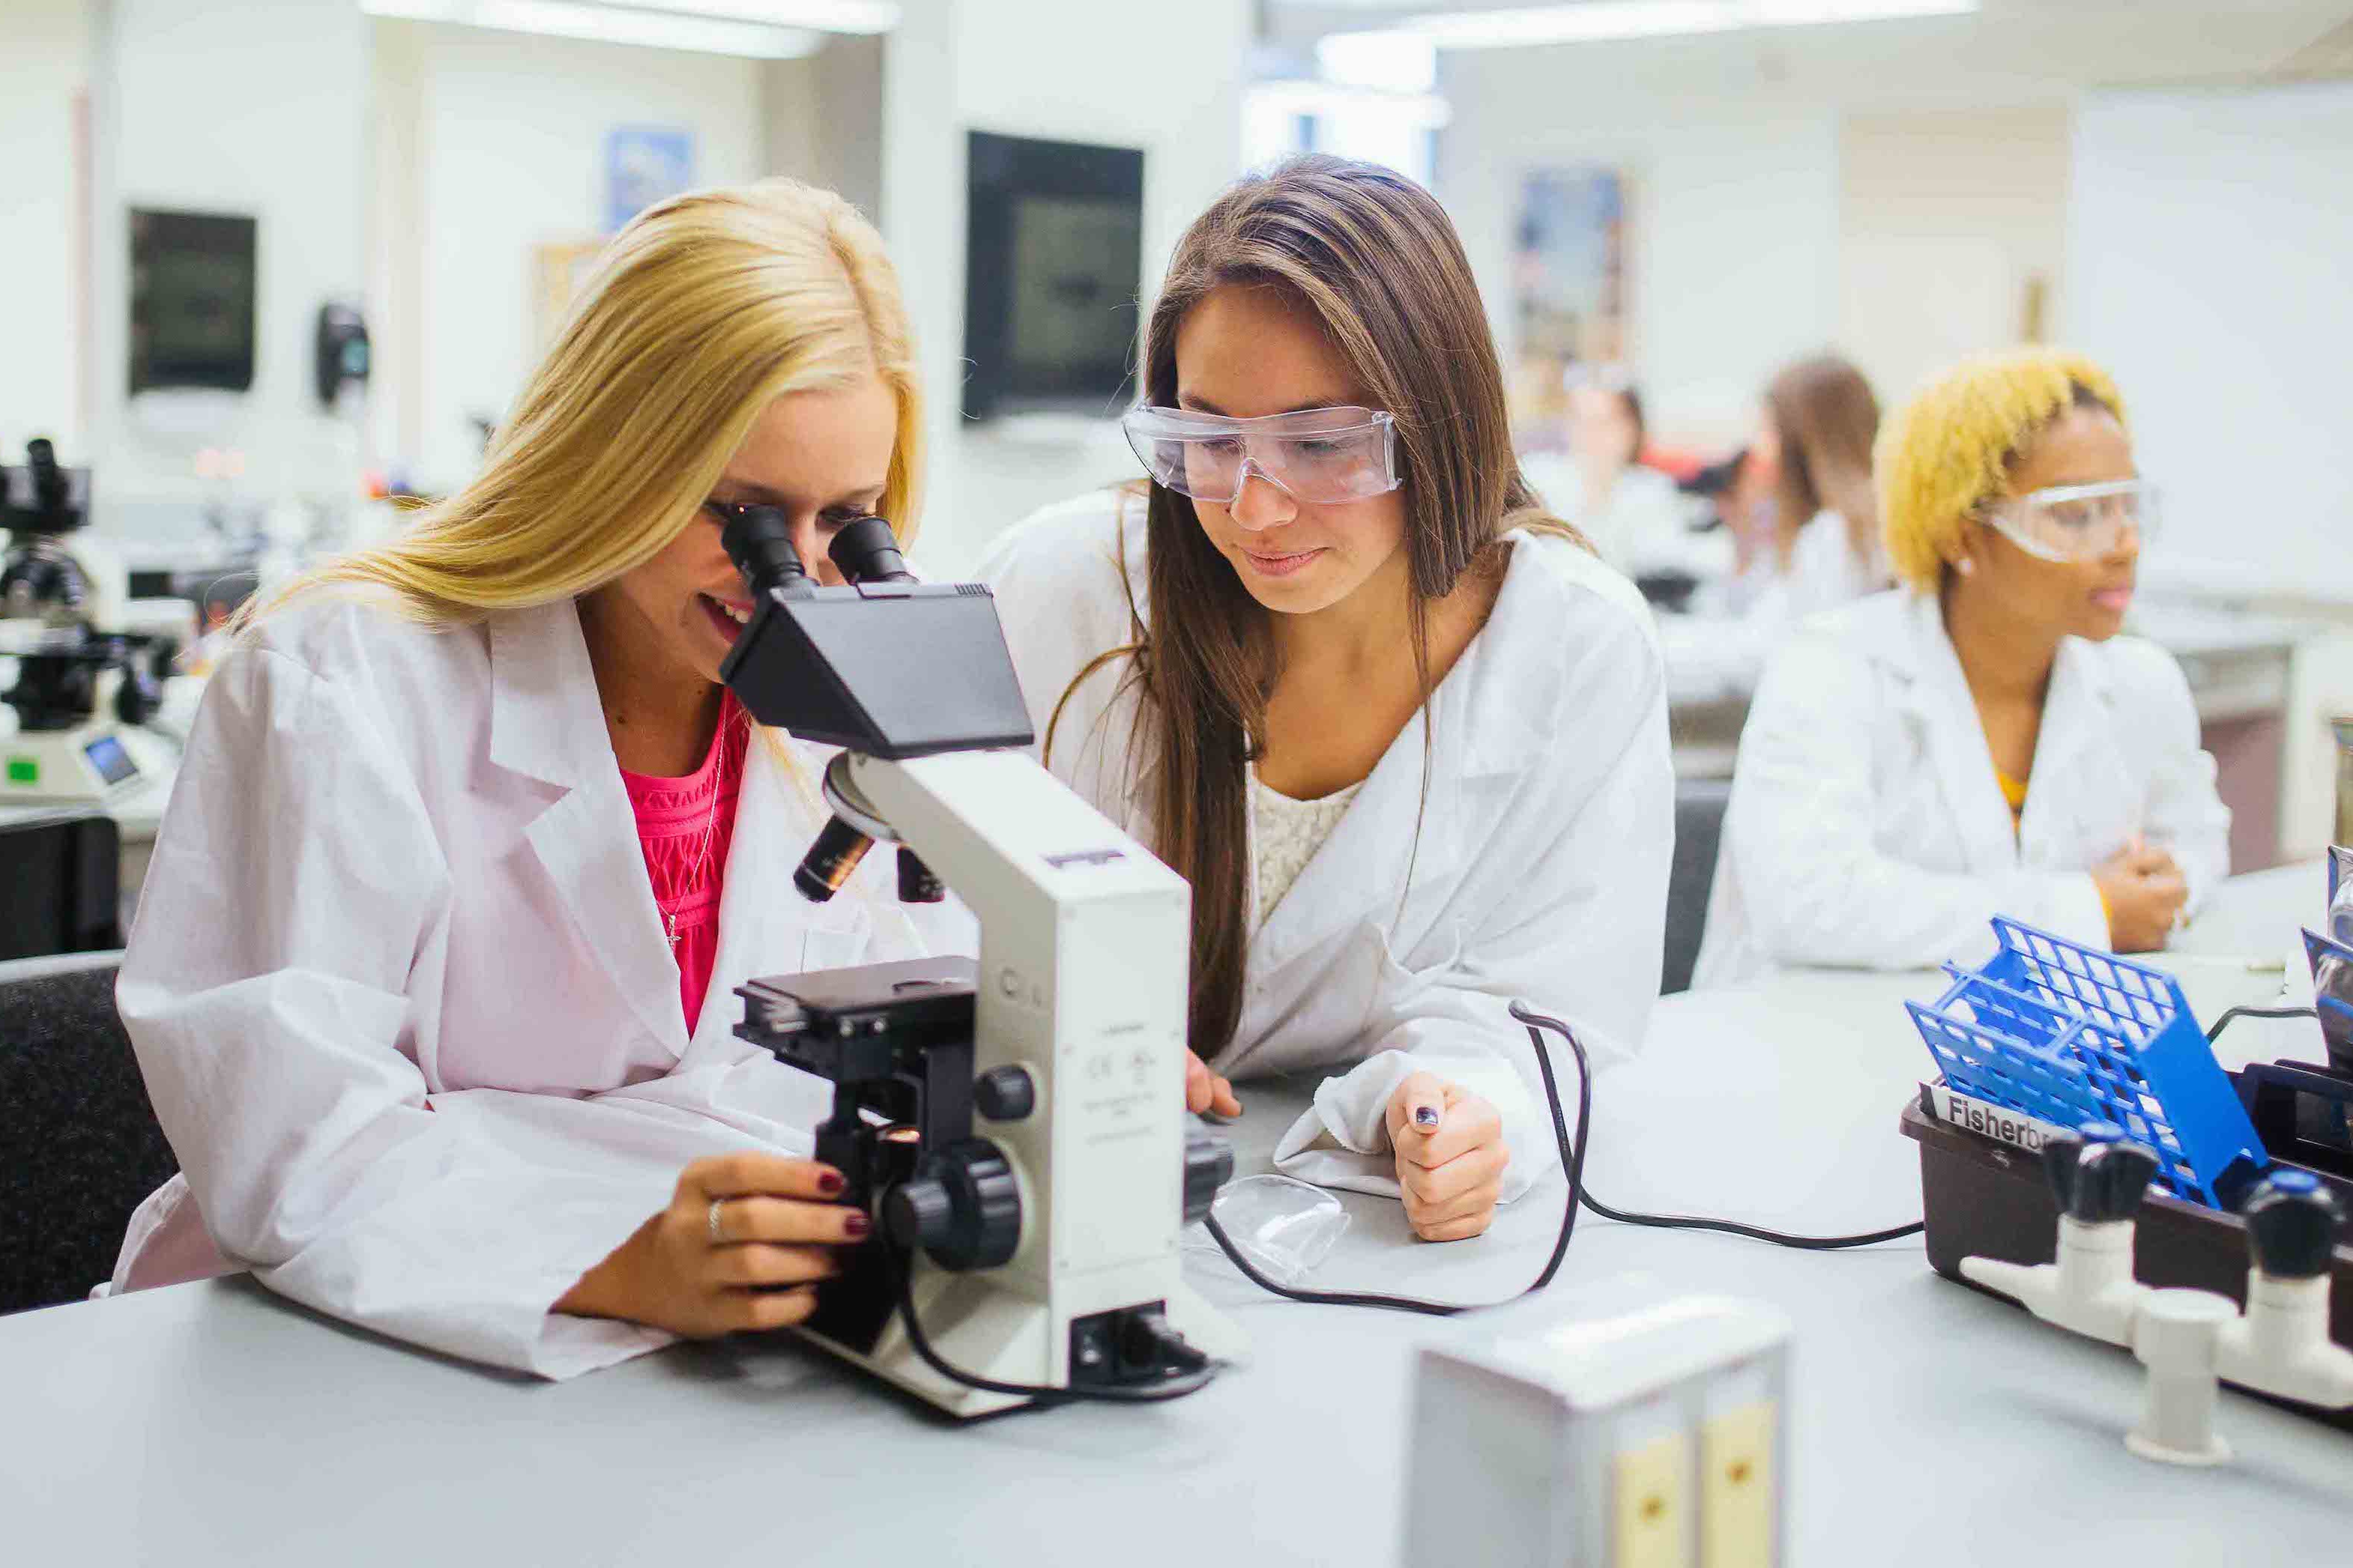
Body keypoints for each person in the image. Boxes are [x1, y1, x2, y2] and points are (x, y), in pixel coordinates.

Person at [107, 181, 970, 1379]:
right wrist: (613, 1250)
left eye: (849, 519)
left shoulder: (838, 709)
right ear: (611, 451)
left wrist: (1035, 1056)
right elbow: (297, 1147)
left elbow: (854, 1054)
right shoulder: (348, 677)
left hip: (693, 1357)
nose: (796, 577)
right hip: (334, 1352)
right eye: (742, 513)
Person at [979, 156, 1673, 1243]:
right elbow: (923, 907)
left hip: (1336, 1227)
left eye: (1318, 444)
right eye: (1208, 439)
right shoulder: (1061, 586)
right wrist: (1062, 1030)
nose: (1254, 507)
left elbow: (1548, 1000)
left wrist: (1458, 1105)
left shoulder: (1572, 642)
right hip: (1055, 1181)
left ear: (1437, 421)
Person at [1692, 347, 2229, 981]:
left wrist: (2166, 887)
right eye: (2077, 513)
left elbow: (2195, 841)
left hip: (2025, 1051)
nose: (2124, 545)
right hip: (1800, 1047)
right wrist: (2086, 910)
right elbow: (1809, 901)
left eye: (2127, 506)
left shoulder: (2142, 681)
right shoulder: (1832, 667)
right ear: (1961, 535)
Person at [1657, 354, 1890, 706]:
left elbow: (1756, 655)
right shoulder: (1857, 530)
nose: (1764, 450)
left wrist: (1646, 639)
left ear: (1806, 441)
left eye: (1771, 432)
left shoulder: (1835, 540)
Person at [1519, 372, 1703, 578]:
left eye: (1604, 422)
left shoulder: (1652, 490)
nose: (1592, 433)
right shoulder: (1537, 475)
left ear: (1632, 428)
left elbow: (1663, 562)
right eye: (1582, 420)